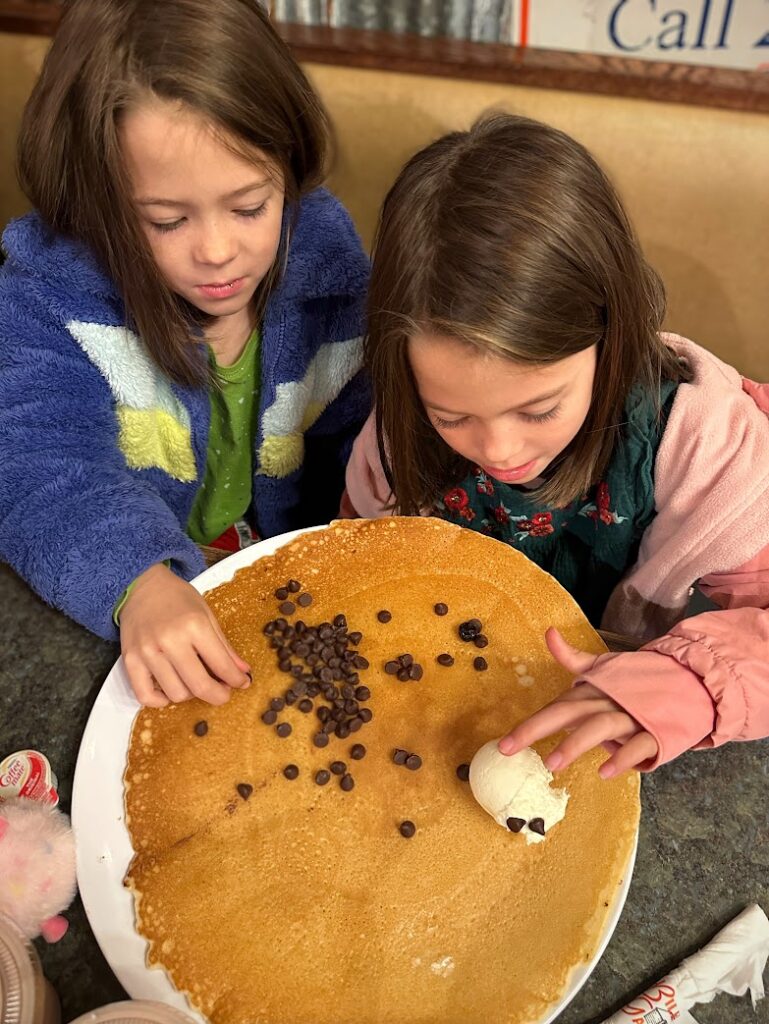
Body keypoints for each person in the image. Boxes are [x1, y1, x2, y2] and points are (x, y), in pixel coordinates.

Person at [344, 113, 769, 777]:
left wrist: (693, 681)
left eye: (538, 408)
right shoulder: (397, 429)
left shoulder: (701, 445)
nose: (498, 449)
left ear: (612, 334)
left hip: (615, 723)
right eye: (449, 415)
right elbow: (362, 558)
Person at [0, 0, 370, 707]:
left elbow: (366, 449)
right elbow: (33, 463)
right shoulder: (48, 295)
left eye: (251, 207)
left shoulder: (334, 277)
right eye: (165, 221)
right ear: (94, 200)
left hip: (292, 596)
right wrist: (136, 580)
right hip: (137, 594)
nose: (217, 252)